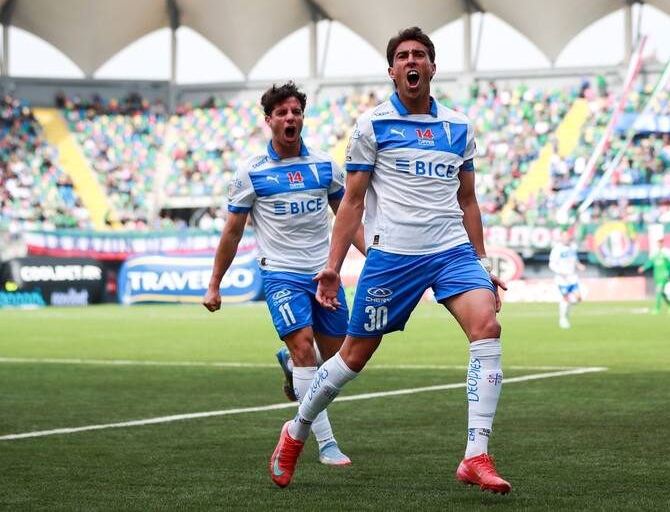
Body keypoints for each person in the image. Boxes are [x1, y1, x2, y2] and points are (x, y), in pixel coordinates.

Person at [268, 27, 511, 494]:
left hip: (450, 251)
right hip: (393, 256)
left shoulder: (458, 127)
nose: (411, 61)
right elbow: (352, 203)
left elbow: (468, 200)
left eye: (419, 54)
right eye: (402, 56)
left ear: (432, 68)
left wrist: (480, 259)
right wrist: (333, 266)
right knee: (352, 357)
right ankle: (296, 431)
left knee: (488, 328)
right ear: (392, 71)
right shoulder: (371, 125)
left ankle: (476, 454)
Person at [203, 82, 364, 467]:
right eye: (282, 113)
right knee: (305, 349)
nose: (290, 118)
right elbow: (232, 232)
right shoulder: (252, 173)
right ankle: (326, 444)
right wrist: (214, 284)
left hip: (324, 276)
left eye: (296, 112)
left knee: (341, 358)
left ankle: (291, 367)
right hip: (281, 276)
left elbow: (349, 217)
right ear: (269, 120)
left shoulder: (325, 166)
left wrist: (374, 256)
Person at [549, 229, 585, 329]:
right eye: (564, 236)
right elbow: (552, 264)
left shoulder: (573, 247)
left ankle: (567, 310)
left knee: (578, 299)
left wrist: (579, 265)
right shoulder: (557, 249)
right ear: (561, 238)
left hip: (573, 278)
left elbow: (575, 259)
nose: (567, 238)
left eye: (568, 236)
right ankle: (563, 319)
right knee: (565, 300)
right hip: (562, 280)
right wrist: (560, 272)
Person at [638, 238, 670, 314]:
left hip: (664, 276)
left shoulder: (665, 255)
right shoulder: (655, 255)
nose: (659, 245)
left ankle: (657, 309)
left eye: (660, 243)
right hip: (657, 276)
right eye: (658, 243)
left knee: (658, 291)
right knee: (661, 293)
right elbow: (650, 263)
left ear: (662, 244)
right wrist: (643, 267)